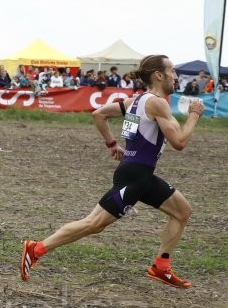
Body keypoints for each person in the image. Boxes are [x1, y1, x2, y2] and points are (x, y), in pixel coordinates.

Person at [21, 55, 204, 289]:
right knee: (94, 224)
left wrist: (112, 144)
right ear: (159, 75)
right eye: (172, 71)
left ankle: (161, 266)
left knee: (182, 212)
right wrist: (194, 115)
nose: (176, 77)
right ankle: (35, 249)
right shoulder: (157, 103)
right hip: (134, 177)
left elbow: (99, 114)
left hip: (140, 174)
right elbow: (179, 142)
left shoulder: (134, 102)